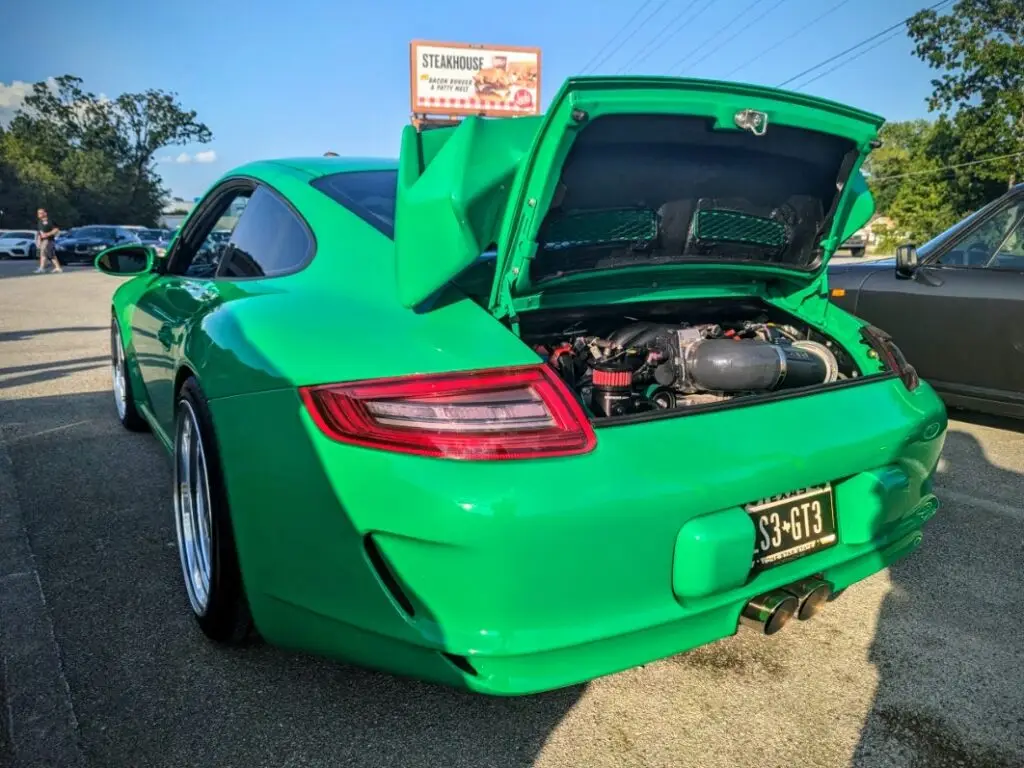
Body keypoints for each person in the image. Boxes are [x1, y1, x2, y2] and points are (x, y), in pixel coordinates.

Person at [35, 208, 63, 273]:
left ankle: (58, 268)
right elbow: (39, 232)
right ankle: (42, 268)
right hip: (43, 241)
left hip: (49, 240)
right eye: (38, 213)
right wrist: (38, 240)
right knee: (43, 254)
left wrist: (47, 234)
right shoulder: (40, 222)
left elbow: (56, 230)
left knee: (51, 254)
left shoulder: (50, 221)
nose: (39, 214)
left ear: (45, 213)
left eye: (41, 213)